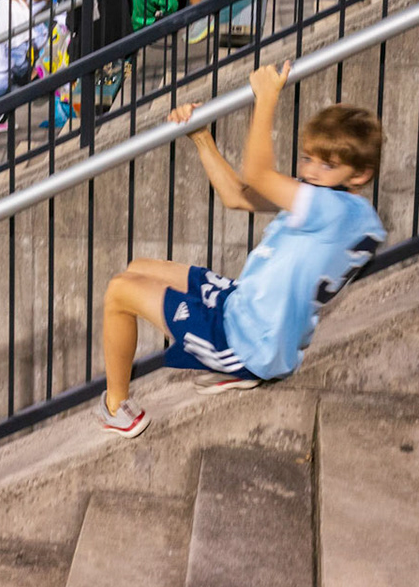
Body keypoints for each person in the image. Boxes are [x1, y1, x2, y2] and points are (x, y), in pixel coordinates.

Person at [94, 63, 385, 435]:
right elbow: (238, 195)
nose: (311, 171)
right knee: (139, 267)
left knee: (120, 291)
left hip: (245, 340)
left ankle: (117, 409)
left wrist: (266, 99)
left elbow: (257, 174)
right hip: (248, 311)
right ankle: (223, 366)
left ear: (360, 175)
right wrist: (201, 137)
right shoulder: (340, 207)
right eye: (308, 158)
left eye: (326, 164)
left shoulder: (333, 209)